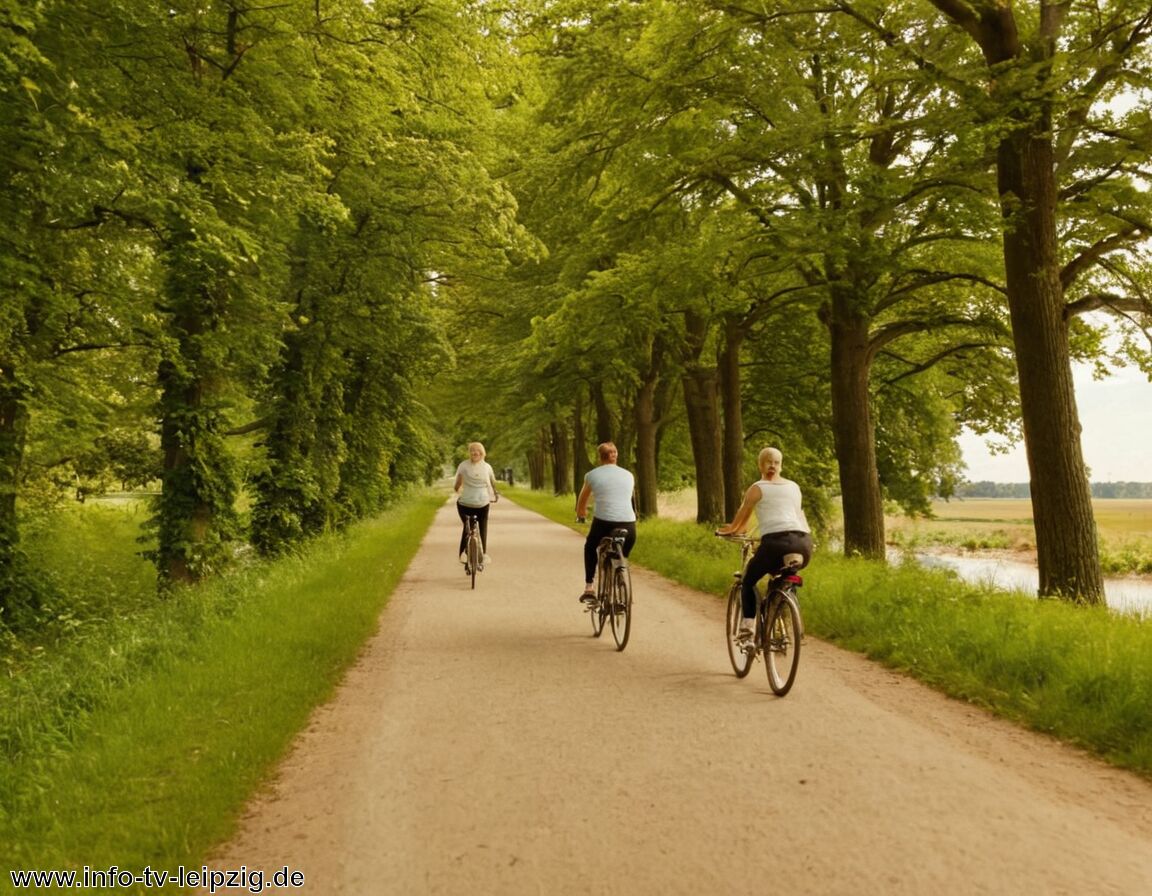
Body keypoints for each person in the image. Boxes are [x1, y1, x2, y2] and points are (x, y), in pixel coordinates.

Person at [715, 447, 813, 642]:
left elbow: (742, 518)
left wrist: (730, 530)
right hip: (803, 543)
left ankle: (748, 629)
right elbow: (796, 515)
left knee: (748, 581)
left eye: (776, 462)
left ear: (781, 465)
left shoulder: (757, 487)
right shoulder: (794, 487)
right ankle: (783, 619)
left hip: (776, 543)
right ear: (761, 464)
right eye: (769, 462)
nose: (772, 465)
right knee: (785, 576)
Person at [575, 441, 636, 602]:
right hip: (629, 524)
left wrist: (581, 514)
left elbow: (583, 500)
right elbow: (628, 498)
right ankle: (619, 571)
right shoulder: (629, 475)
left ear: (600, 457)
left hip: (603, 522)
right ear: (615, 456)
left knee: (590, 546)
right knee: (622, 554)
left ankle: (589, 586)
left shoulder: (592, 475)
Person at [454, 442, 499, 564]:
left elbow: (457, 485)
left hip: (475, 504)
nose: (475, 452)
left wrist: (457, 490)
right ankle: (473, 554)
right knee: (475, 526)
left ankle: (472, 554)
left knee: (475, 527)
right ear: (470, 453)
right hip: (474, 504)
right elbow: (492, 483)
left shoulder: (468, 466)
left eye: (477, 450)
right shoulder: (470, 466)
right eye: (472, 450)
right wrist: (495, 494)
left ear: (482, 453)